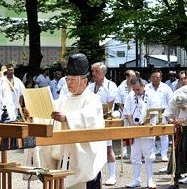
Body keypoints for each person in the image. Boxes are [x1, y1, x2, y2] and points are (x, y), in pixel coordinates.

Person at [51, 53, 107, 189]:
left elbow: (89, 117)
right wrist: (34, 113)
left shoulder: (93, 99)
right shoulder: (64, 99)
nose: (68, 83)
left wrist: (68, 118)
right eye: (67, 79)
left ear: (84, 80)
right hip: (66, 156)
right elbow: (50, 111)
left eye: (72, 80)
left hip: (85, 158)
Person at [87, 62, 118, 186]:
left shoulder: (111, 85)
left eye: (96, 71)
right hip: (91, 122)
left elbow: (109, 106)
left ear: (103, 73)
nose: (93, 74)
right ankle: (94, 175)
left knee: (107, 149)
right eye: (92, 71)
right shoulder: (90, 86)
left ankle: (112, 175)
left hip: (104, 121)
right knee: (92, 149)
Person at [124, 77, 157, 188]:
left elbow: (155, 110)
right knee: (135, 154)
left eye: (138, 89)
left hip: (147, 127)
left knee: (148, 154)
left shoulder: (152, 94)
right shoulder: (130, 96)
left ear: (143, 86)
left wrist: (144, 122)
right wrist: (132, 123)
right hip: (134, 128)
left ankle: (150, 180)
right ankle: (136, 179)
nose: (136, 92)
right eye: (134, 90)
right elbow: (127, 112)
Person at [163, 80, 187, 188]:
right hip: (181, 129)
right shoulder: (178, 93)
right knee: (177, 154)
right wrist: (174, 121)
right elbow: (168, 114)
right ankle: (175, 180)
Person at [145, 69, 173, 162]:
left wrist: (169, 115)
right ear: (150, 78)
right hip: (150, 114)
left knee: (164, 135)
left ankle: (164, 155)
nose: (155, 79)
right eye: (153, 77)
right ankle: (151, 154)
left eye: (157, 77)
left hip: (163, 113)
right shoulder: (146, 87)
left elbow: (171, 102)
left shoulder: (166, 87)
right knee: (151, 134)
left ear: (161, 77)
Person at [116, 69, 136, 158]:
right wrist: (126, 112)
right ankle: (123, 152)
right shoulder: (121, 87)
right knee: (124, 133)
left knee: (134, 133)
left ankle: (133, 151)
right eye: (132, 76)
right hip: (124, 111)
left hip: (135, 112)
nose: (134, 78)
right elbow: (118, 101)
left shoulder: (136, 84)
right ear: (127, 77)